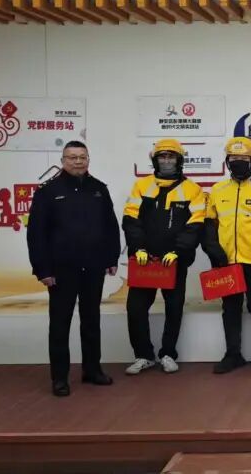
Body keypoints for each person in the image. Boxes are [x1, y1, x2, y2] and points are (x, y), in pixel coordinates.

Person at [27, 141, 120, 397]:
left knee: (91, 320)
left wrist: (111, 257)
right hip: (61, 270)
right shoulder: (48, 192)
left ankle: (92, 370)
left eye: (82, 157)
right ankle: (59, 378)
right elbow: (36, 234)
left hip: (93, 267)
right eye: (72, 157)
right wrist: (43, 269)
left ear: (88, 159)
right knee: (60, 324)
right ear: (63, 160)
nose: (78, 162)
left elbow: (110, 226)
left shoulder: (99, 189)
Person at [123, 138, 206, 375]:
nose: (166, 161)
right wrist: (138, 247)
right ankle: (143, 355)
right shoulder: (141, 186)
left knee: (174, 308)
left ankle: (168, 353)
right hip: (145, 261)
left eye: (171, 157)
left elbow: (195, 225)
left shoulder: (193, 190)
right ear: (155, 160)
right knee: (135, 308)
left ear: (179, 160)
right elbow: (131, 219)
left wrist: (178, 251)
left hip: (174, 261)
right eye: (162, 156)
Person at [201, 137, 251, 375]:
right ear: (227, 161)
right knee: (230, 308)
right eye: (234, 158)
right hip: (226, 261)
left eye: (244, 158)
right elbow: (208, 225)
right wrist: (213, 250)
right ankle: (233, 354)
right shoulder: (217, 190)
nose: (239, 162)